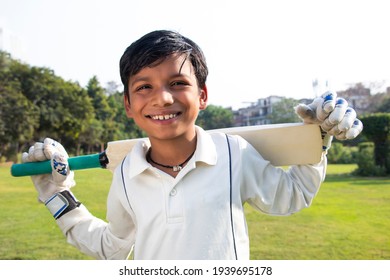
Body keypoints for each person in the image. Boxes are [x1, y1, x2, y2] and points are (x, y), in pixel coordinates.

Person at [22, 30, 363, 260]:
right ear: (127, 104)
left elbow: (292, 196)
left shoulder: (233, 154)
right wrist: (58, 196)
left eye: (177, 83)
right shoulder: (125, 173)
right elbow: (112, 247)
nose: (163, 98)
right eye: (144, 87)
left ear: (202, 96)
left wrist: (317, 139)